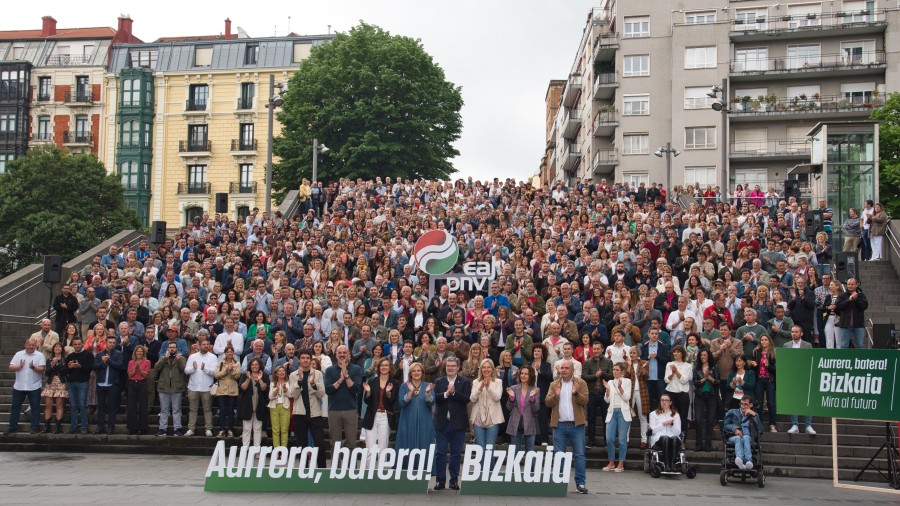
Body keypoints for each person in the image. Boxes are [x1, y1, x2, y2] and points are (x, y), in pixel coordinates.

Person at [545, 359, 589, 493]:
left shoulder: (581, 383)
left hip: (577, 425)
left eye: (566, 368)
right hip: (559, 425)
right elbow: (547, 402)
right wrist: (555, 396)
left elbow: (585, 400)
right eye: (562, 368)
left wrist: (576, 393)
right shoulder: (554, 384)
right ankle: (559, 482)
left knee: (579, 455)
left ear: (572, 370)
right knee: (559, 455)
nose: (563, 370)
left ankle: (580, 483)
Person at [432, 356, 471, 491]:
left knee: (456, 453)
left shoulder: (465, 382)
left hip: (458, 424)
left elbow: (466, 399)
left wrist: (454, 393)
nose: (450, 368)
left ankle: (453, 480)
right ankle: (440, 481)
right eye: (448, 365)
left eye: (453, 366)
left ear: (458, 367)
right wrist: (446, 394)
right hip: (441, 423)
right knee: (440, 453)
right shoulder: (439, 381)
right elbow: (435, 398)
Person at [289, 349, 327, 468]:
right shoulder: (293, 375)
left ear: (311, 360)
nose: (305, 360)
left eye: (307, 358)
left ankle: (322, 470)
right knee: (302, 444)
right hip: (299, 413)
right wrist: (300, 382)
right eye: (303, 358)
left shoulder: (318, 374)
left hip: (315, 413)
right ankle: (303, 469)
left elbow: (321, 394)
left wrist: (313, 384)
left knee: (320, 443)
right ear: (299, 360)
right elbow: (293, 395)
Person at [395, 362, 435, 468]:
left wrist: (427, 393)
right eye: (414, 371)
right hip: (407, 419)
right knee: (406, 442)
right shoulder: (404, 386)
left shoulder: (428, 386)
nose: (416, 373)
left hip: (424, 420)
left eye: (418, 371)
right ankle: (405, 468)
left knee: (424, 442)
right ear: (410, 373)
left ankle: (424, 468)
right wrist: (410, 392)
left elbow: (431, 403)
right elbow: (401, 403)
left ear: (422, 373)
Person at [324, 345, 363, 450]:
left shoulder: (356, 369)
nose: (342, 355)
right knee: (334, 444)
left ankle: (351, 462)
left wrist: (346, 376)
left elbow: (356, 390)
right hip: (334, 410)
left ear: (349, 354)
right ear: (336, 354)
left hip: (350, 410)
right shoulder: (329, 370)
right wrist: (341, 379)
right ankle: (335, 462)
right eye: (339, 353)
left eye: (344, 353)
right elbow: (328, 390)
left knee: (351, 443)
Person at [362, 357, 400, 464]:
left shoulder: (395, 383)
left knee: (383, 447)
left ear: (390, 368)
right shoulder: (373, 381)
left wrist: (388, 393)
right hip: (371, 416)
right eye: (382, 365)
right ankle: (368, 472)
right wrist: (368, 392)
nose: (384, 367)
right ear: (379, 368)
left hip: (385, 416)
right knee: (370, 448)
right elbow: (367, 401)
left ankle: (381, 472)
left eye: (386, 365)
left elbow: (393, 401)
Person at [8, 339, 46, 434]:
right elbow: (10, 367)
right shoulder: (18, 354)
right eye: (29, 345)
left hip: (34, 386)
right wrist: (19, 366)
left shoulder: (40, 355)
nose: (31, 347)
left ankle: (35, 427)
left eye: (33, 345)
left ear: (35, 346)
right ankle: (12, 427)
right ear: (25, 345)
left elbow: (42, 369)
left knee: (35, 407)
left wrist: (33, 367)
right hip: (19, 386)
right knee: (15, 407)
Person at [783, 325, 816, 435]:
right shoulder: (786, 345)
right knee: (793, 400)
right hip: (791, 377)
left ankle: (808, 425)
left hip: (804, 376)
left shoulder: (808, 345)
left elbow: (810, 359)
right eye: (792, 331)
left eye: (796, 332)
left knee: (807, 400)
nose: (794, 333)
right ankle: (795, 424)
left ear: (801, 333)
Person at [601, 362, 632, 475]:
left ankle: (621, 463)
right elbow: (607, 400)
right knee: (609, 438)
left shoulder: (627, 381)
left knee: (622, 440)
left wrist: (619, 387)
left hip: (623, 412)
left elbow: (627, 397)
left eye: (617, 370)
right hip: (612, 412)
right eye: (614, 370)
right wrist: (607, 389)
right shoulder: (610, 382)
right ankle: (611, 462)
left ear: (622, 372)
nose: (614, 371)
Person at [184, 339, 218, 437]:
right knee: (192, 409)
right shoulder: (192, 356)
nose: (206, 346)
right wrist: (193, 368)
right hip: (193, 386)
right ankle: (191, 429)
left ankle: (208, 429)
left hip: (207, 387)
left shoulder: (213, 357)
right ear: (199, 345)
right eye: (203, 344)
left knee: (207, 409)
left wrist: (205, 369)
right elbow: (186, 371)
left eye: (207, 344)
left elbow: (215, 372)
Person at [582, 341, 612, 448]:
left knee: (606, 419)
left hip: (604, 394)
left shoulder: (608, 362)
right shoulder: (587, 362)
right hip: (592, 394)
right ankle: (591, 441)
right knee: (591, 418)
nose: (596, 351)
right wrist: (595, 376)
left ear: (602, 349)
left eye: (598, 349)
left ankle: (606, 442)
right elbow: (584, 376)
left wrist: (602, 374)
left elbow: (612, 376)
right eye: (594, 349)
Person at [154, 341, 186, 437]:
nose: (172, 349)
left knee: (176, 410)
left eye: (174, 347)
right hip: (164, 387)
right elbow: (156, 367)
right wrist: (165, 358)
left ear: (176, 349)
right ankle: (162, 429)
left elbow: (184, 369)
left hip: (176, 387)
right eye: (170, 347)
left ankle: (177, 429)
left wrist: (179, 360)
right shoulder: (163, 358)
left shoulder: (181, 358)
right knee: (164, 410)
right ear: (167, 349)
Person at [506, 365, 541, 454]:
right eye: (521, 373)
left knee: (530, 453)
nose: (523, 376)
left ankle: (530, 465)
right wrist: (512, 398)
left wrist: (532, 398)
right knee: (514, 453)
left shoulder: (535, 390)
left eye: (526, 374)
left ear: (531, 376)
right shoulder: (513, 388)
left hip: (530, 423)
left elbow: (536, 409)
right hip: (515, 423)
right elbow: (509, 407)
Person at [470, 358, 503, 449]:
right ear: (481, 369)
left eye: (488, 367)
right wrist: (480, 388)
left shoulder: (498, 382)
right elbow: (472, 399)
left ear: (492, 369)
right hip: (478, 419)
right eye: (484, 367)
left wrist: (488, 387)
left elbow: (497, 397)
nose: (486, 369)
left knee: (489, 450)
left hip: (493, 419)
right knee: (480, 450)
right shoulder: (476, 382)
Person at [94, 336, 123, 435]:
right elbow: (94, 366)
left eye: (113, 342)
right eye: (110, 342)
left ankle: (111, 427)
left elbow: (120, 365)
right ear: (106, 342)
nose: (112, 344)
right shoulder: (99, 354)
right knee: (101, 407)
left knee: (112, 407)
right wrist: (103, 362)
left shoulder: (118, 354)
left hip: (112, 383)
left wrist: (109, 361)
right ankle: (100, 427)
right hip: (101, 383)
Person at [724, 395, 762, 470]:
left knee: (746, 437)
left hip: (748, 437)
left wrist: (754, 415)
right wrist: (734, 429)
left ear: (750, 405)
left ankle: (748, 461)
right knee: (738, 438)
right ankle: (739, 459)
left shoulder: (754, 415)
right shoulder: (732, 412)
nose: (743, 406)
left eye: (746, 404)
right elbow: (725, 425)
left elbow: (760, 430)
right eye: (742, 404)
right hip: (733, 436)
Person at [239, 357, 269, 446]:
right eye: (252, 365)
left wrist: (260, 379)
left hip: (259, 406)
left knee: (257, 429)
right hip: (247, 405)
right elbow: (243, 388)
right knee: (246, 429)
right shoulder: (245, 375)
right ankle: (245, 449)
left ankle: (256, 450)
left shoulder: (264, 376)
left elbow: (264, 389)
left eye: (256, 364)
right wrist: (248, 379)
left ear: (259, 366)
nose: (254, 366)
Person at [692, 348, 718, 452]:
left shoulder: (714, 367)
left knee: (710, 421)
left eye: (705, 355)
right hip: (699, 396)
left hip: (711, 396)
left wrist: (710, 378)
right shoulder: (696, 368)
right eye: (701, 355)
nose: (703, 357)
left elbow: (717, 382)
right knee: (698, 420)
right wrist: (704, 378)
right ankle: (698, 445)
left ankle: (708, 445)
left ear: (708, 356)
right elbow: (695, 382)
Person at [749, 335, 777, 432]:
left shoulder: (774, 352)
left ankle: (772, 425)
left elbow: (776, 369)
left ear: (769, 341)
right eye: (762, 340)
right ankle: (759, 425)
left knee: (771, 403)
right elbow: (754, 369)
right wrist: (754, 365)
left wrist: (768, 366)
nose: (763, 342)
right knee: (759, 403)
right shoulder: (756, 352)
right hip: (759, 380)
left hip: (770, 380)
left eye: (765, 340)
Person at [213, 345, 241, 437]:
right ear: (225, 353)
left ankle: (230, 429)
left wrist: (231, 370)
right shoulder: (221, 363)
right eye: (228, 352)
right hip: (222, 390)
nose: (229, 353)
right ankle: (221, 429)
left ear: (233, 353)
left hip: (232, 390)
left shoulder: (237, 363)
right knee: (222, 410)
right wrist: (226, 370)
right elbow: (216, 375)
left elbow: (237, 376)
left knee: (231, 411)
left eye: (231, 352)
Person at [649, 394, 683, 471]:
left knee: (674, 438)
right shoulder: (653, 414)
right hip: (659, 439)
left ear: (670, 403)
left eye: (666, 400)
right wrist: (663, 424)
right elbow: (652, 430)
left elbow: (678, 432)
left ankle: (672, 464)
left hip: (673, 439)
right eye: (662, 400)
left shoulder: (676, 415)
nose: (664, 402)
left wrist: (672, 425)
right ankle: (667, 464)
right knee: (665, 438)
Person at [664, 345, 692, 434]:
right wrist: (672, 373)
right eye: (674, 352)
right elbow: (666, 380)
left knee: (682, 416)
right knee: (671, 415)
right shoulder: (669, 364)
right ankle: (671, 435)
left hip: (682, 393)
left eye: (678, 352)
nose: (675, 353)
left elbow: (684, 380)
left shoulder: (687, 366)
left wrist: (676, 371)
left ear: (682, 354)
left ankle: (682, 437)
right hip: (670, 392)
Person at [41, 342, 67, 434]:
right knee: (48, 404)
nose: (57, 348)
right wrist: (52, 365)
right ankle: (47, 426)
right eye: (55, 347)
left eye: (59, 347)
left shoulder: (64, 359)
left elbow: (64, 372)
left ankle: (57, 426)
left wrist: (57, 364)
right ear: (53, 349)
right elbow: (47, 373)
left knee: (59, 404)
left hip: (60, 383)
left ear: (62, 349)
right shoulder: (49, 359)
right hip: (50, 383)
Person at [835, 278, 868, 349]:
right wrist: (849, 300)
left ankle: (860, 357)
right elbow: (838, 306)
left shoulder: (861, 295)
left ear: (856, 285)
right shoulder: (842, 295)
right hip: (845, 324)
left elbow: (864, 306)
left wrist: (856, 299)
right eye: (848, 284)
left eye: (852, 284)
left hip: (858, 325)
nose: (850, 286)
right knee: (844, 345)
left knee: (860, 345)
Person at [126, 345, 151, 435]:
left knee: (143, 406)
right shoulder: (131, 362)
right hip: (132, 384)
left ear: (143, 353)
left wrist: (139, 369)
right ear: (135, 352)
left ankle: (142, 428)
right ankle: (132, 428)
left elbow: (145, 375)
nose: (139, 353)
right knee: (131, 406)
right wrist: (135, 369)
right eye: (138, 351)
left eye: (141, 351)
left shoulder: (147, 362)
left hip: (142, 384)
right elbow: (130, 375)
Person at [268, 365, 292, 447]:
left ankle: (283, 450)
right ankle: (276, 450)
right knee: (275, 430)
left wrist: (285, 389)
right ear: (276, 373)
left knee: (284, 430)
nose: (282, 372)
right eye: (280, 371)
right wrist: (277, 389)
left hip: (285, 407)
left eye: (283, 371)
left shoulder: (288, 383)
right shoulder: (272, 384)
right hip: (274, 407)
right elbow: (270, 397)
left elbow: (291, 395)